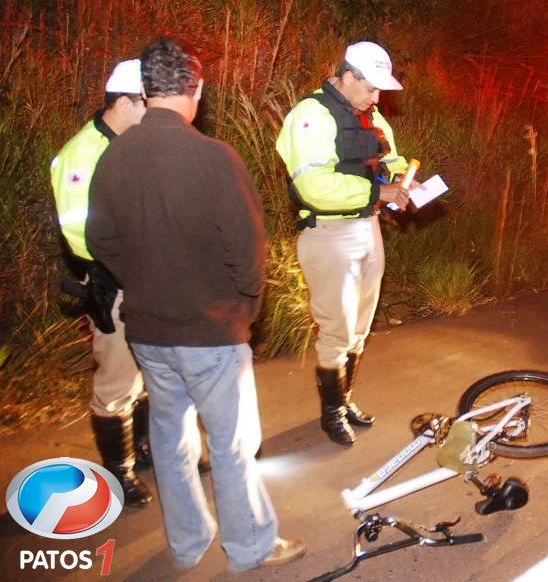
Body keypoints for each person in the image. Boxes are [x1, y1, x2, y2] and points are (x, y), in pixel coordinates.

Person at [86, 37, 304, 570]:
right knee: (231, 444)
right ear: (197, 89)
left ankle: (187, 543)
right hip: (211, 330)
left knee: (170, 438)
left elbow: (99, 241)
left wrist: (140, 279)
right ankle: (249, 546)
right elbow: (249, 249)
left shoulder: (113, 157)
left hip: (148, 330)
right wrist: (244, 308)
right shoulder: (212, 157)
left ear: (144, 90)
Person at [275, 41, 413, 446]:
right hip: (330, 233)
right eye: (370, 88)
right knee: (336, 329)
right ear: (347, 75)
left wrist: (405, 183)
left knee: (359, 326)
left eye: (380, 92)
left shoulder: (370, 115)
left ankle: (345, 397)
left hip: (367, 228)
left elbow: (389, 159)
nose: (376, 98)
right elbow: (315, 185)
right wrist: (378, 194)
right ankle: (331, 412)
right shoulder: (310, 115)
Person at [49, 59, 153, 507]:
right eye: (150, 102)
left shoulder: (136, 143)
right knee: (116, 378)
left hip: (148, 278)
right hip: (113, 281)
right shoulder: (81, 154)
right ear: (127, 102)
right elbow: (79, 231)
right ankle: (119, 472)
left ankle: (143, 449)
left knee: (147, 371)